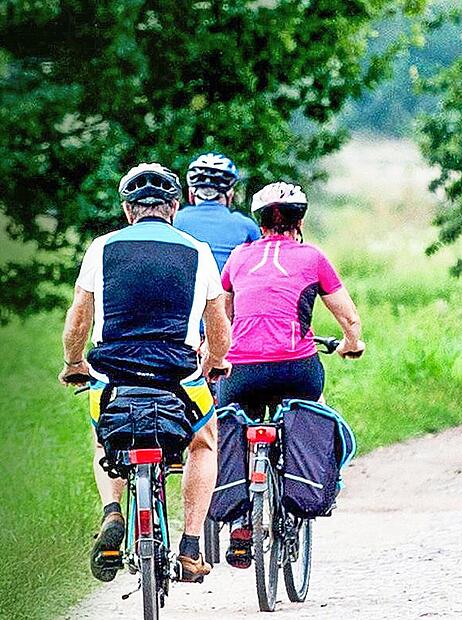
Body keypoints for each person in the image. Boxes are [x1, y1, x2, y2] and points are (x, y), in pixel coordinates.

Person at [58, 163, 232, 582]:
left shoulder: (102, 247)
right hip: (177, 374)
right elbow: (219, 326)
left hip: (112, 372)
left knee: (103, 433)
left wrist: (74, 363)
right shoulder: (197, 251)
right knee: (204, 442)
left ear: (127, 209)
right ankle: (191, 546)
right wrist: (214, 362)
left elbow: (78, 318)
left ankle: (113, 512)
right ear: (174, 206)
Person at [217, 181, 365, 567]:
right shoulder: (313, 257)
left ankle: (239, 525)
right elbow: (348, 316)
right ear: (300, 220)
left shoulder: (237, 258)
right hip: (296, 367)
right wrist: (353, 342)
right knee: (316, 407)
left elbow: (223, 316)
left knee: (230, 418)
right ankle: (307, 489)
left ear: (259, 222)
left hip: (241, 368)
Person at [174, 152, 261, 272]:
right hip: (227, 289)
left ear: (191, 194)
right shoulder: (246, 225)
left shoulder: (173, 219)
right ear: (230, 195)